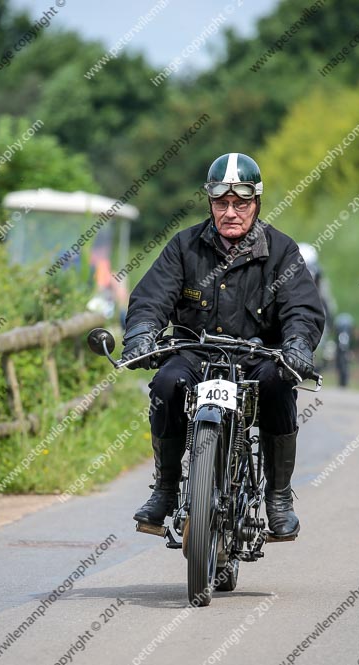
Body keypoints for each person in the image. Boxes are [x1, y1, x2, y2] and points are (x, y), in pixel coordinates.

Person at [122, 153, 325, 540]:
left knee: (280, 385)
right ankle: (165, 490)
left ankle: (278, 498)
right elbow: (152, 297)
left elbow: (302, 307)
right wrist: (141, 334)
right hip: (196, 354)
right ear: (210, 202)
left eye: (241, 203)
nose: (231, 212)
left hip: (258, 357)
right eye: (221, 203)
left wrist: (298, 344)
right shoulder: (184, 247)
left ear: (256, 202)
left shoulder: (281, 251)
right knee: (166, 383)